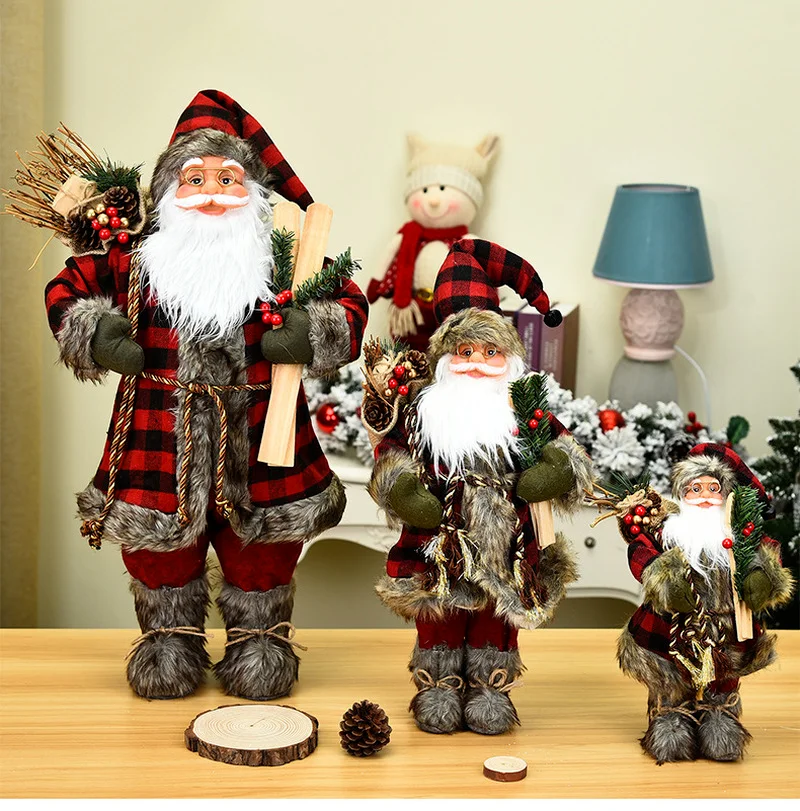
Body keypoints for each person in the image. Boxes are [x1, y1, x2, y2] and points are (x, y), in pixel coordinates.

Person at [44, 90, 368, 700]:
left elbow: (348, 300)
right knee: (159, 552)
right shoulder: (134, 261)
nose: (213, 193)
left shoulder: (282, 259)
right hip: (158, 441)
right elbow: (68, 289)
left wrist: (312, 329)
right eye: (195, 179)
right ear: (168, 191)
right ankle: (167, 640)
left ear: (253, 191)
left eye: (228, 178)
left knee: (263, 550)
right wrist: (96, 332)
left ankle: (261, 642)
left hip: (265, 441)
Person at [365, 239, 592, 735]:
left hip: (509, 546)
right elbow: (391, 456)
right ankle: (439, 684)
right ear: (446, 358)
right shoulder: (424, 412)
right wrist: (404, 490)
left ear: (509, 358)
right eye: (465, 352)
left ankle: (491, 687)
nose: (475, 362)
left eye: (490, 352)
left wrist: (554, 471)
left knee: (496, 616)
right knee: (439, 612)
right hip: (438, 543)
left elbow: (568, 454)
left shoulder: (524, 411)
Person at [616, 443, 795, 762]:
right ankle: (670, 716)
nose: (705, 497)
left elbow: (769, 557)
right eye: (695, 489)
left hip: (727, 624)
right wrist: (663, 578)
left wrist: (761, 579)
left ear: (726, 495)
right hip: (673, 625)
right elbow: (639, 552)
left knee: (725, 673)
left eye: (714, 489)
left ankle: (720, 718)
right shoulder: (667, 531)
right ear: (682, 493)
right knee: (670, 673)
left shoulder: (740, 535)